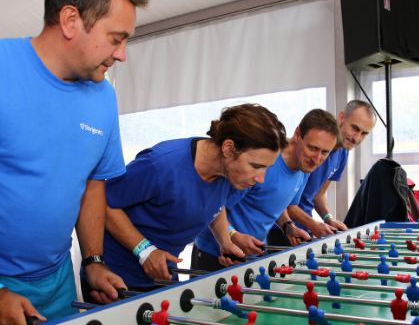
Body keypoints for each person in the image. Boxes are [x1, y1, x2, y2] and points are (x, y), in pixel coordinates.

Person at [0, 0, 148, 325]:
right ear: (70, 20)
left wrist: (94, 261)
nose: (122, 55)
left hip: (59, 279)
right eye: (116, 38)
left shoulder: (103, 97)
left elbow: (92, 185)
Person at [80, 104, 286, 301]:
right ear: (229, 148)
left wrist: (226, 240)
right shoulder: (161, 165)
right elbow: (100, 202)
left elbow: (216, 203)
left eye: (266, 168)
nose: (261, 178)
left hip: (165, 273)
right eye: (256, 166)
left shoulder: (233, 174)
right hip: (116, 275)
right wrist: (144, 250)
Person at [192, 109, 340, 272]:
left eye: (324, 152)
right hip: (215, 252)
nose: (317, 159)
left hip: (252, 254)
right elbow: (215, 204)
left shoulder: (305, 166)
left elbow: (278, 202)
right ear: (297, 134)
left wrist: (288, 226)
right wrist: (233, 234)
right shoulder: (263, 161)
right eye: (313, 148)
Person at [268, 100, 377, 246]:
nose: (356, 138)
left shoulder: (342, 154)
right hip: (279, 227)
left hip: (300, 225)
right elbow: (281, 200)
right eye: (355, 128)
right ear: (341, 118)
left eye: (364, 133)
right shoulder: (300, 157)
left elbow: (318, 194)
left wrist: (327, 218)